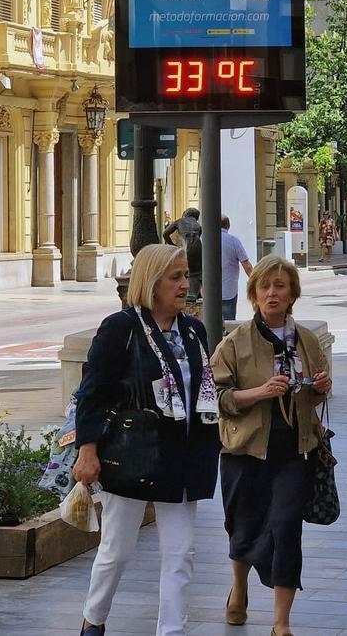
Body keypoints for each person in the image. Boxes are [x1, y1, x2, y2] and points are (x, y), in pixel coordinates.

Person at [73, 244, 222, 636]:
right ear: (152, 282)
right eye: (176, 277)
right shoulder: (121, 328)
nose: (185, 285)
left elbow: (203, 389)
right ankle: (94, 621)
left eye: (186, 275)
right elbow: (92, 392)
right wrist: (87, 450)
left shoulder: (194, 330)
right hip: (133, 454)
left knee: (181, 554)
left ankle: (171, 631)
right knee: (117, 551)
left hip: (184, 456)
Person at [211, 255, 333, 636]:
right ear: (253, 294)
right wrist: (258, 393)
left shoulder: (307, 341)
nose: (272, 293)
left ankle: (281, 623)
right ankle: (240, 588)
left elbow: (312, 398)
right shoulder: (236, 342)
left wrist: (319, 390)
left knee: (285, 529)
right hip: (246, 451)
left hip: (294, 452)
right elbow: (215, 398)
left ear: (293, 293)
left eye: (280, 286)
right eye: (265, 286)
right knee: (243, 527)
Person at [163, 208, 203, 298]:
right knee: (198, 270)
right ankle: (198, 293)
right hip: (198, 248)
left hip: (187, 247)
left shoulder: (179, 221)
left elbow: (165, 233)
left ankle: (191, 295)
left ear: (185, 214)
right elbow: (198, 237)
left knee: (190, 272)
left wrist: (172, 245)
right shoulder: (197, 225)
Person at [220, 216, 253, 321]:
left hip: (208, 290)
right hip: (228, 290)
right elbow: (246, 265)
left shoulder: (204, 240)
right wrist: (255, 281)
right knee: (228, 322)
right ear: (228, 226)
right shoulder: (233, 241)